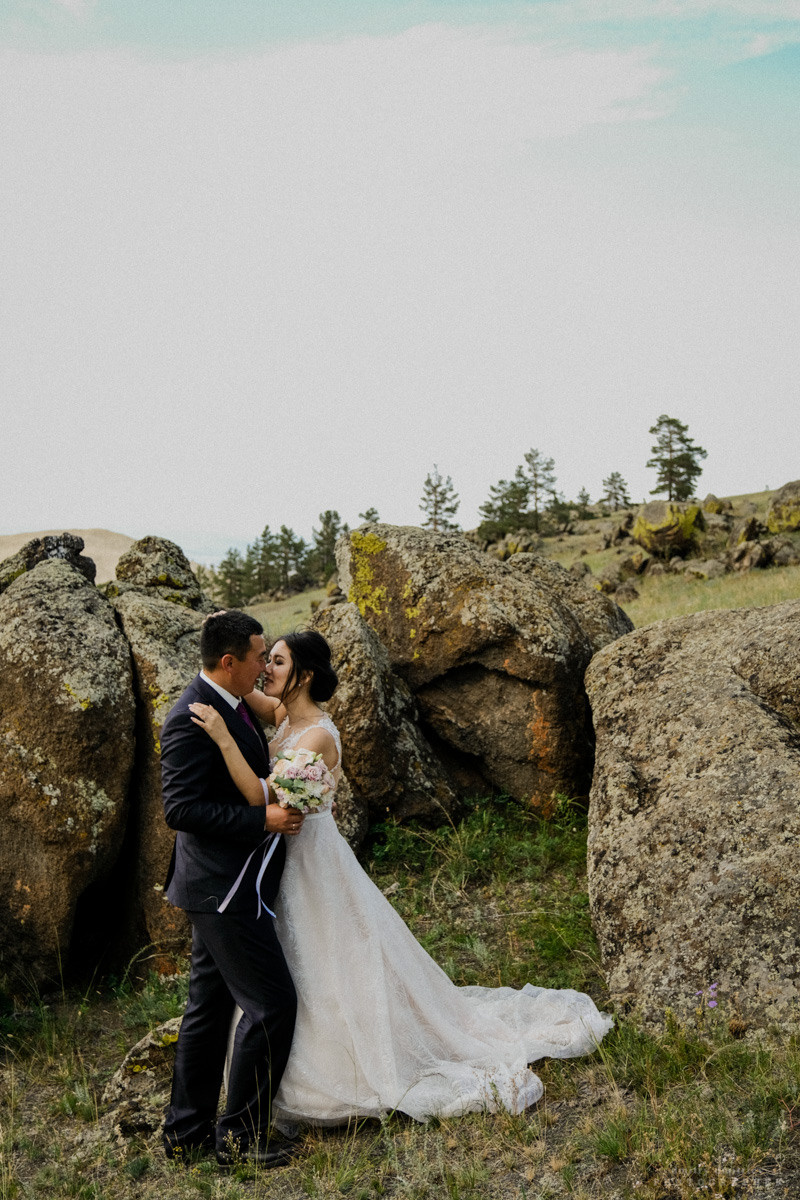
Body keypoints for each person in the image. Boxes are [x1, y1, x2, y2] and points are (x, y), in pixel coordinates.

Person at [189, 627, 614, 1127]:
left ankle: (347, 1068)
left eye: (277, 663)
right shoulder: (282, 715)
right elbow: (250, 694)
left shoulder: (318, 735)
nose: (266, 671)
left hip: (311, 861)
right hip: (281, 864)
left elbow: (264, 798)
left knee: (332, 958)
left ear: (301, 676)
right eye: (267, 661)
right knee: (291, 960)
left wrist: (221, 737)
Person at [160, 610, 305, 1168]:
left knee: (209, 1010)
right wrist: (261, 821)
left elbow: (272, 706)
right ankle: (240, 1141)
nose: (263, 665)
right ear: (229, 662)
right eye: (257, 656)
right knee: (271, 1005)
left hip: (221, 885)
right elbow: (181, 809)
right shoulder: (187, 719)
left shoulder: (232, 702)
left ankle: (186, 1134)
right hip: (221, 887)